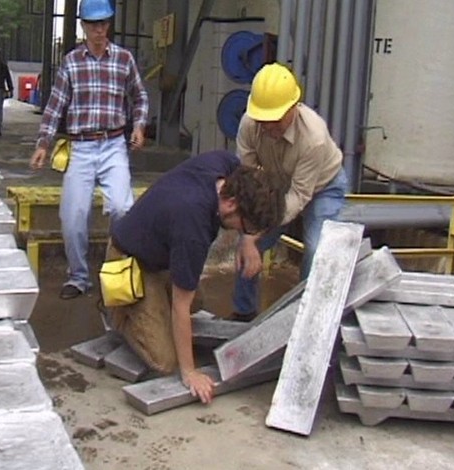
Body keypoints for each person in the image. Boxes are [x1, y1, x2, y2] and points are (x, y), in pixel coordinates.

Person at [107, 150, 284, 404]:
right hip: (129, 260)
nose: (239, 233)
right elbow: (180, 305)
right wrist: (189, 372)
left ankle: (151, 302)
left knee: (197, 303)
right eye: (243, 228)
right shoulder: (193, 226)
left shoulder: (224, 165)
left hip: (160, 250)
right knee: (165, 359)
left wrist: (248, 240)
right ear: (232, 204)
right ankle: (117, 309)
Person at [30, 0, 148, 300]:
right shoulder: (71, 63)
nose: (99, 30)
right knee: (73, 216)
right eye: (94, 25)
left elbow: (140, 97)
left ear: (109, 24)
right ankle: (79, 277)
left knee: (123, 208)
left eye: (104, 24)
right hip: (81, 147)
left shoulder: (123, 60)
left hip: (113, 145)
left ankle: (116, 273)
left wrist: (139, 126)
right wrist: (43, 143)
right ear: (83, 26)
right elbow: (55, 106)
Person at [232, 62, 348, 321]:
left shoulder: (314, 137)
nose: (270, 126)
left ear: (293, 108)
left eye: (276, 119)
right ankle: (243, 315)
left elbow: (298, 198)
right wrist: (249, 235)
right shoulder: (249, 125)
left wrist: (252, 233)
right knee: (247, 244)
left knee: (317, 249)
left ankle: (305, 319)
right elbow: (247, 182)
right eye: (265, 119)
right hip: (278, 183)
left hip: (322, 187)